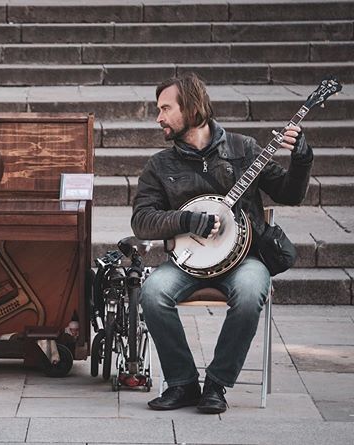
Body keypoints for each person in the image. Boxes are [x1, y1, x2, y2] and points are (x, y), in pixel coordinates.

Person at [132, 73, 313, 413]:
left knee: (249, 292)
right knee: (153, 292)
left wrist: (302, 159)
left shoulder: (244, 149)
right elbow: (142, 221)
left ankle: (217, 384)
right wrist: (186, 220)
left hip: (245, 258)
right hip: (188, 261)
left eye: (165, 108)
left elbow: (290, 193)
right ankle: (183, 383)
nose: (158, 117)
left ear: (191, 107)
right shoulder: (160, 165)